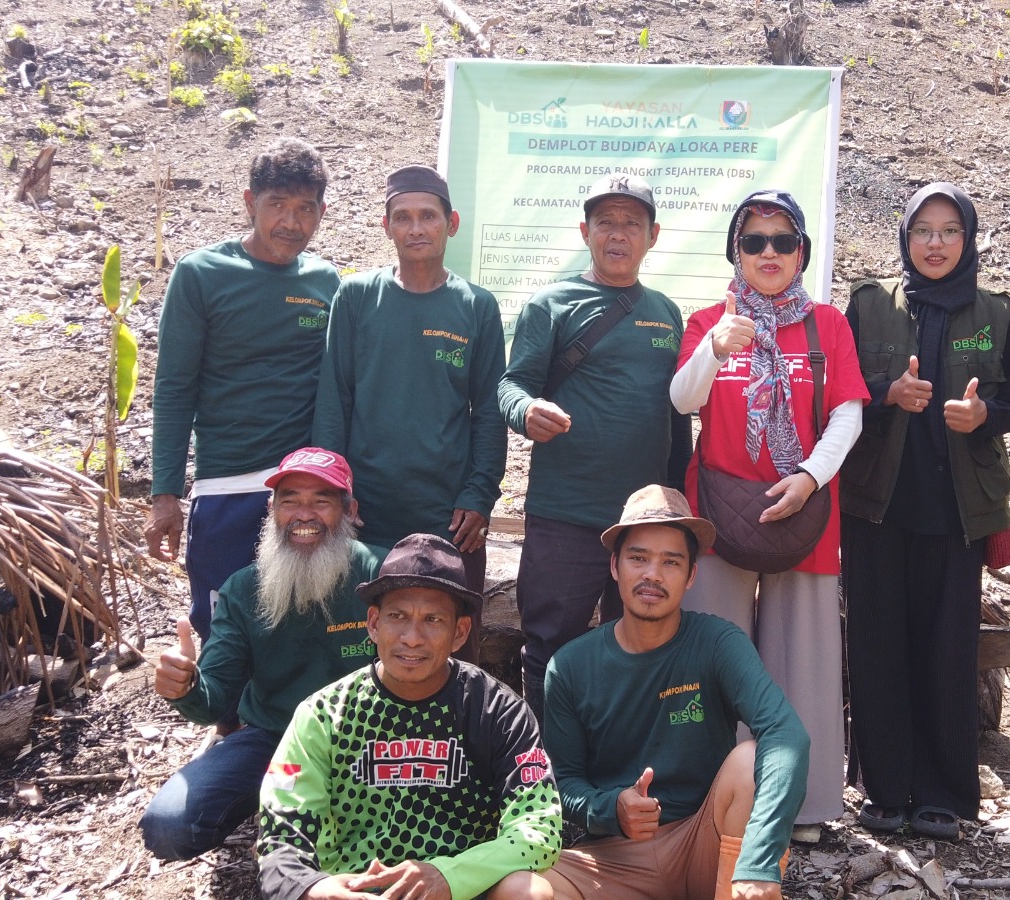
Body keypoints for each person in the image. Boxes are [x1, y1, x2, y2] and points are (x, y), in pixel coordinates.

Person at [669, 189, 867, 843]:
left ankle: (803, 806)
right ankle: (715, 800)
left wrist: (810, 479)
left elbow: (848, 413)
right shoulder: (708, 321)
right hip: (720, 516)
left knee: (800, 661)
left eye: (783, 240)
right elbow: (681, 399)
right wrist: (716, 349)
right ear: (735, 252)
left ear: (802, 251)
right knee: (715, 658)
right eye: (754, 241)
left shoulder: (827, 326)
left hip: (802, 513)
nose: (769, 252)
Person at [838, 183, 1010, 842]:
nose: (936, 243)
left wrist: (983, 416)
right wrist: (885, 394)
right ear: (905, 237)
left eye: (950, 230)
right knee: (877, 644)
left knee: (948, 651)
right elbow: (839, 396)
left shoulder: (997, 314)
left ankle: (944, 792)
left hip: (956, 513)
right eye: (923, 230)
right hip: (876, 506)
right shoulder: (868, 307)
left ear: (968, 239)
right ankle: (885, 790)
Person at [519, 484, 807, 900]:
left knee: (751, 759)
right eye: (638, 558)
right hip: (613, 858)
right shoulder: (569, 666)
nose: (652, 574)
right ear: (615, 566)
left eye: (670, 562)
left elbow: (786, 733)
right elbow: (563, 783)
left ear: (691, 576)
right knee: (519, 889)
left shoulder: (716, 643)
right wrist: (611, 808)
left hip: (703, 840)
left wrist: (758, 860)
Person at [257, 533, 562, 900]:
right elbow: (279, 833)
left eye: (432, 619)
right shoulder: (323, 715)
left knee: (530, 892)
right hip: (355, 890)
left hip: (462, 888)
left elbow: (539, 827)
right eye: (397, 616)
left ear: (459, 632)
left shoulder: (498, 712)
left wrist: (448, 876)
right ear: (373, 623)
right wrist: (316, 889)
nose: (412, 638)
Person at [497, 172, 689, 722]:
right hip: (566, 514)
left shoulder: (666, 313)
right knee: (549, 648)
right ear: (586, 231)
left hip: (642, 524)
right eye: (606, 221)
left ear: (654, 236)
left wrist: (678, 502)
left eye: (633, 223)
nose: (618, 234)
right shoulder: (551, 304)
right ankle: (543, 776)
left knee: (639, 647)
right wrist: (525, 412)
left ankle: (620, 773)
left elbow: (675, 412)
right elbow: (512, 384)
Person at [141, 448, 386, 860]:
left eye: (321, 501)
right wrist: (186, 687)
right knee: (168, 827)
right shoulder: (243, 590)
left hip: (371, 742)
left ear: (350, 510)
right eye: (290, 500)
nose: (303, 515)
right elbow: (213, 701)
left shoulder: (384, 574)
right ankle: (282, 808)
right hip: (274, 738)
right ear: (271, 510)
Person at [146, 138, 340, 654]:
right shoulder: (201, 274)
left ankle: (286, 729)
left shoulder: (326, 282)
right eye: (277, 205)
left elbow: (333, 389)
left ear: (321, 212)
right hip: (226, 482)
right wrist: (165, 493)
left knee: (300, 622)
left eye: (305, 209)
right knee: (223, 619)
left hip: (302, 489)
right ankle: (227, 725)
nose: (291, 222)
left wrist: (336, 479)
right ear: (249, 202)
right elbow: (173, 388)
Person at [312, 165, 505, 594]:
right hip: (364, 512)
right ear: (387, 227)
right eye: (402, 217)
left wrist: (479, 495)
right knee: (365, 637)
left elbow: (489, 412)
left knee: (453, 640)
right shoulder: (357, 296)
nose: (416, 228)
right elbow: (333, 400)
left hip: (451, 518)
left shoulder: (476, 306)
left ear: (450, 224)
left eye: (428, 216)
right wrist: (333, 492)